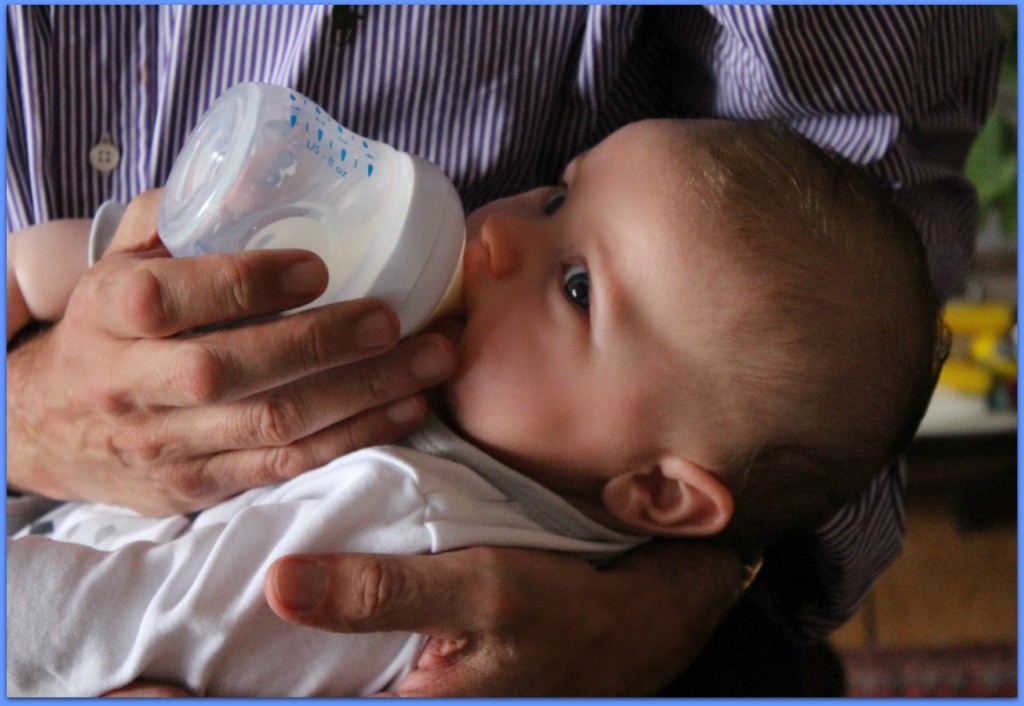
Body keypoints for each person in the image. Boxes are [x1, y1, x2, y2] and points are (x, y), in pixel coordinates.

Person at [5, 6, 1002, 696]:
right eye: (558, 194)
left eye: (575, 285)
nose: (495, 235)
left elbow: (82, 632)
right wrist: (120, 258)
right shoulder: (440, 376)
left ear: (657, 495)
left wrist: (705, 585)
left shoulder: (405, 523)